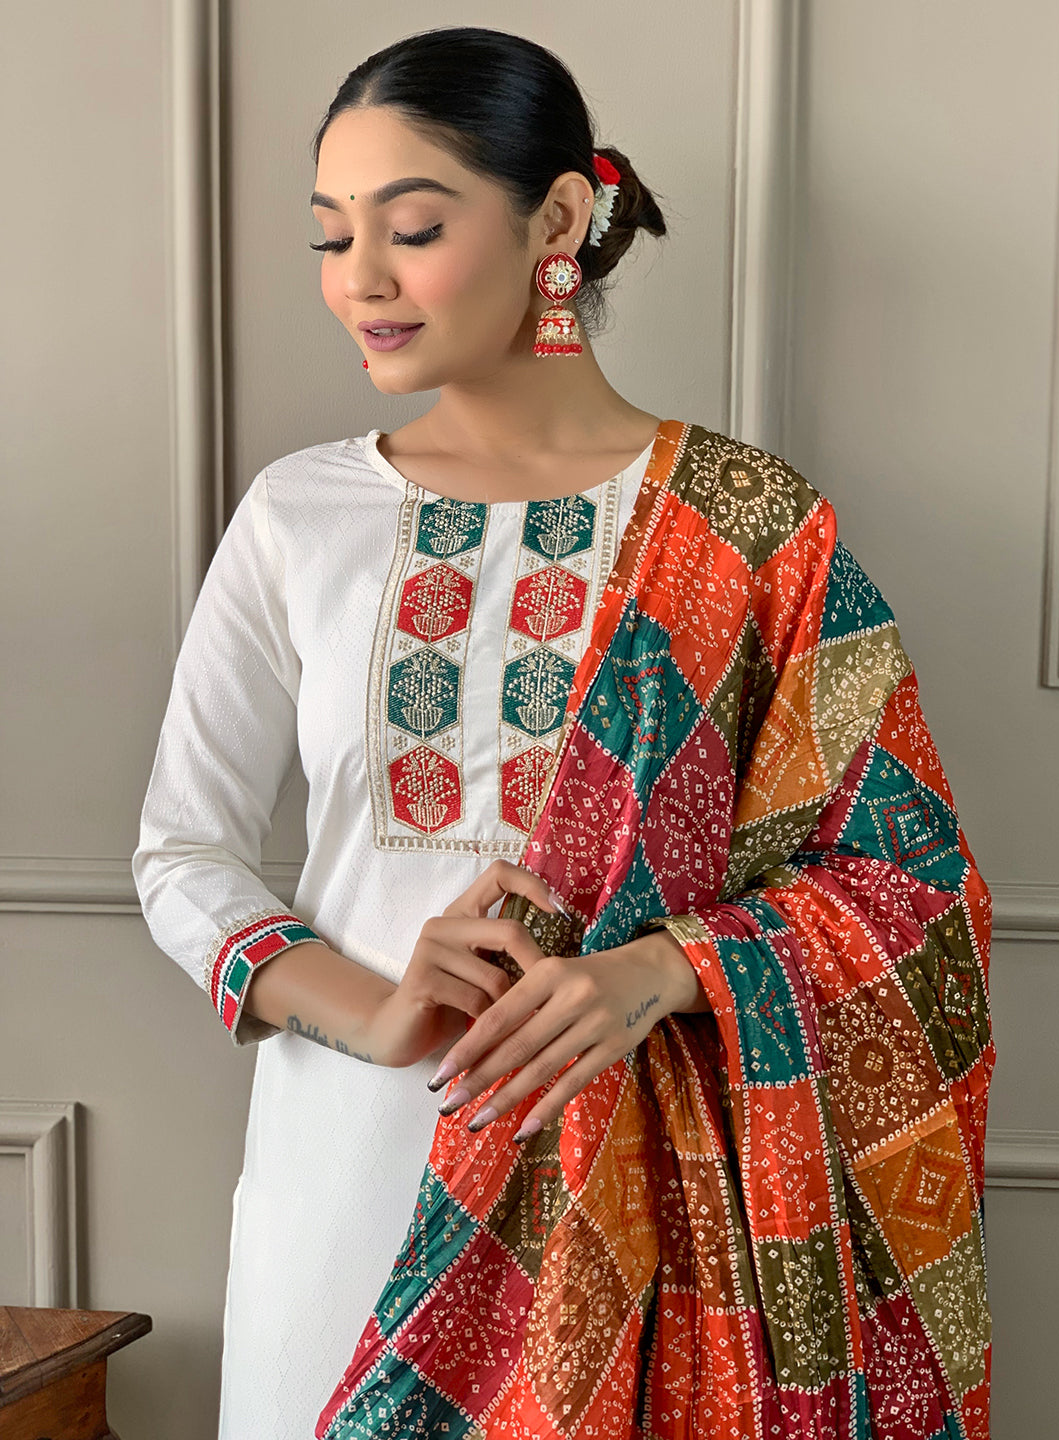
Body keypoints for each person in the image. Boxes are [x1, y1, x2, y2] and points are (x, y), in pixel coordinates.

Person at [132, 25, 995, 1440]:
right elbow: (181, 856)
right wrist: (381, 1010)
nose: (361, 280)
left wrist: (663, 971)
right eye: (329, 236)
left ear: (557, 220)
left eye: (412, 227)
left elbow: (906, 880)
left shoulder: (751, 526)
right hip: (352, 1168)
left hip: (655, 1200)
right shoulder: (299, 518)